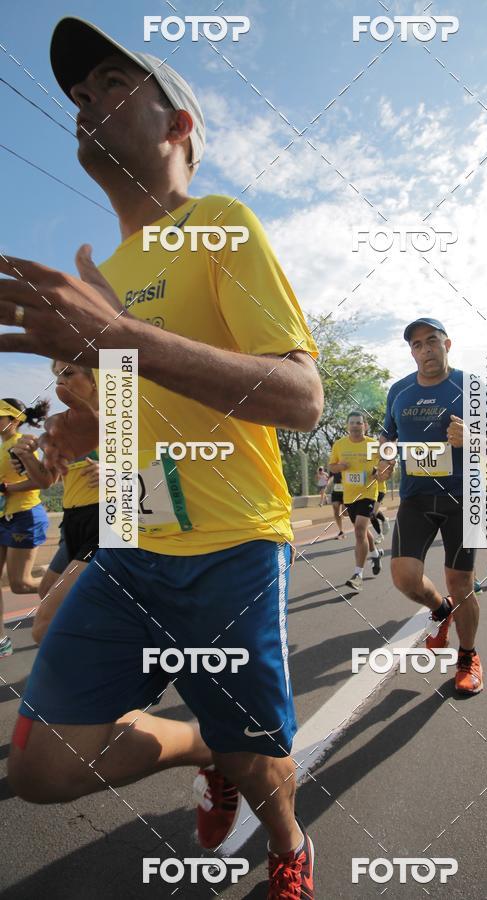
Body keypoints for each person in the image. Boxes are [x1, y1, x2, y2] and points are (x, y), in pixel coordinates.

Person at [2, 18, 322, 898]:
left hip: (231, 546)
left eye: (112, 82)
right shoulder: (102, 273)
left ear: (179, 124)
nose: (85, 99)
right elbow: (130, 415)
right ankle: (208, 748)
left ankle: (287, 841)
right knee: (42, 770)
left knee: (263, 757)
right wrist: (76, 432)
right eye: (79, 91)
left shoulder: (219, 225)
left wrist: (120, 335)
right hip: (130, 545)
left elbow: (302, 398)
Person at [377, 318, 487, 695]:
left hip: (461, 497)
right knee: (404, 577)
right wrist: (384, 459)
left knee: (461, 582)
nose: (425, 350)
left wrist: (471, 436)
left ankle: (468, 656)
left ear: (447, 344)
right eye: (417, 345)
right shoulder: (399, 390)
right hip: (416, 498)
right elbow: (388, 436)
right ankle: (440, 610)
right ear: (412, 352)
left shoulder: (471, 386)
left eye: (431, 341)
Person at [11, 361, 100, 645]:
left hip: (107, 522)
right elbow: (46, 481)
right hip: (71, 522)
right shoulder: (61, 427)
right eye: (57, 376)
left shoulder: (123, 421)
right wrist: (26, 458)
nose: (61, 382)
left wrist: (118, 472)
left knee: (44, 627)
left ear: (95, 379)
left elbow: (162, 466)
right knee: (46, 591)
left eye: (69, 373)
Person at [0, 398, 50, 658]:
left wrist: (7, 488)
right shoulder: (3, 446)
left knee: (20, 584)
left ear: (14, 420)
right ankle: (2, 641)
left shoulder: (22, 444)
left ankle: (71, 589)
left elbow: (40, 480)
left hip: (25, 516)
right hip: (4, 517)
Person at [329, 412, 382, 591]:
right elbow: (331, 466)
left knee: (359, 530)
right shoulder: (340, 445)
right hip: (349, 496)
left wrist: (379, 472)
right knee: (363, 531)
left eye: (358, 423)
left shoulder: (373, 445)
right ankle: (375, 554)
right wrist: (340, 467)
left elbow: (385, 467)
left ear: (365, 426)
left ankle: (358, 575)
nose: (355, 426)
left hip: (368, 493)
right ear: (347, 426)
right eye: (351, 423)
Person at [329, 471, 346, 539]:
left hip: (347, 491)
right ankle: (341, 531)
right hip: (336, 490)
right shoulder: (334, 467)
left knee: (345, 512)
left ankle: (359, 523)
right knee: (335, 509)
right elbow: (331, 477)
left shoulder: (347, 466)